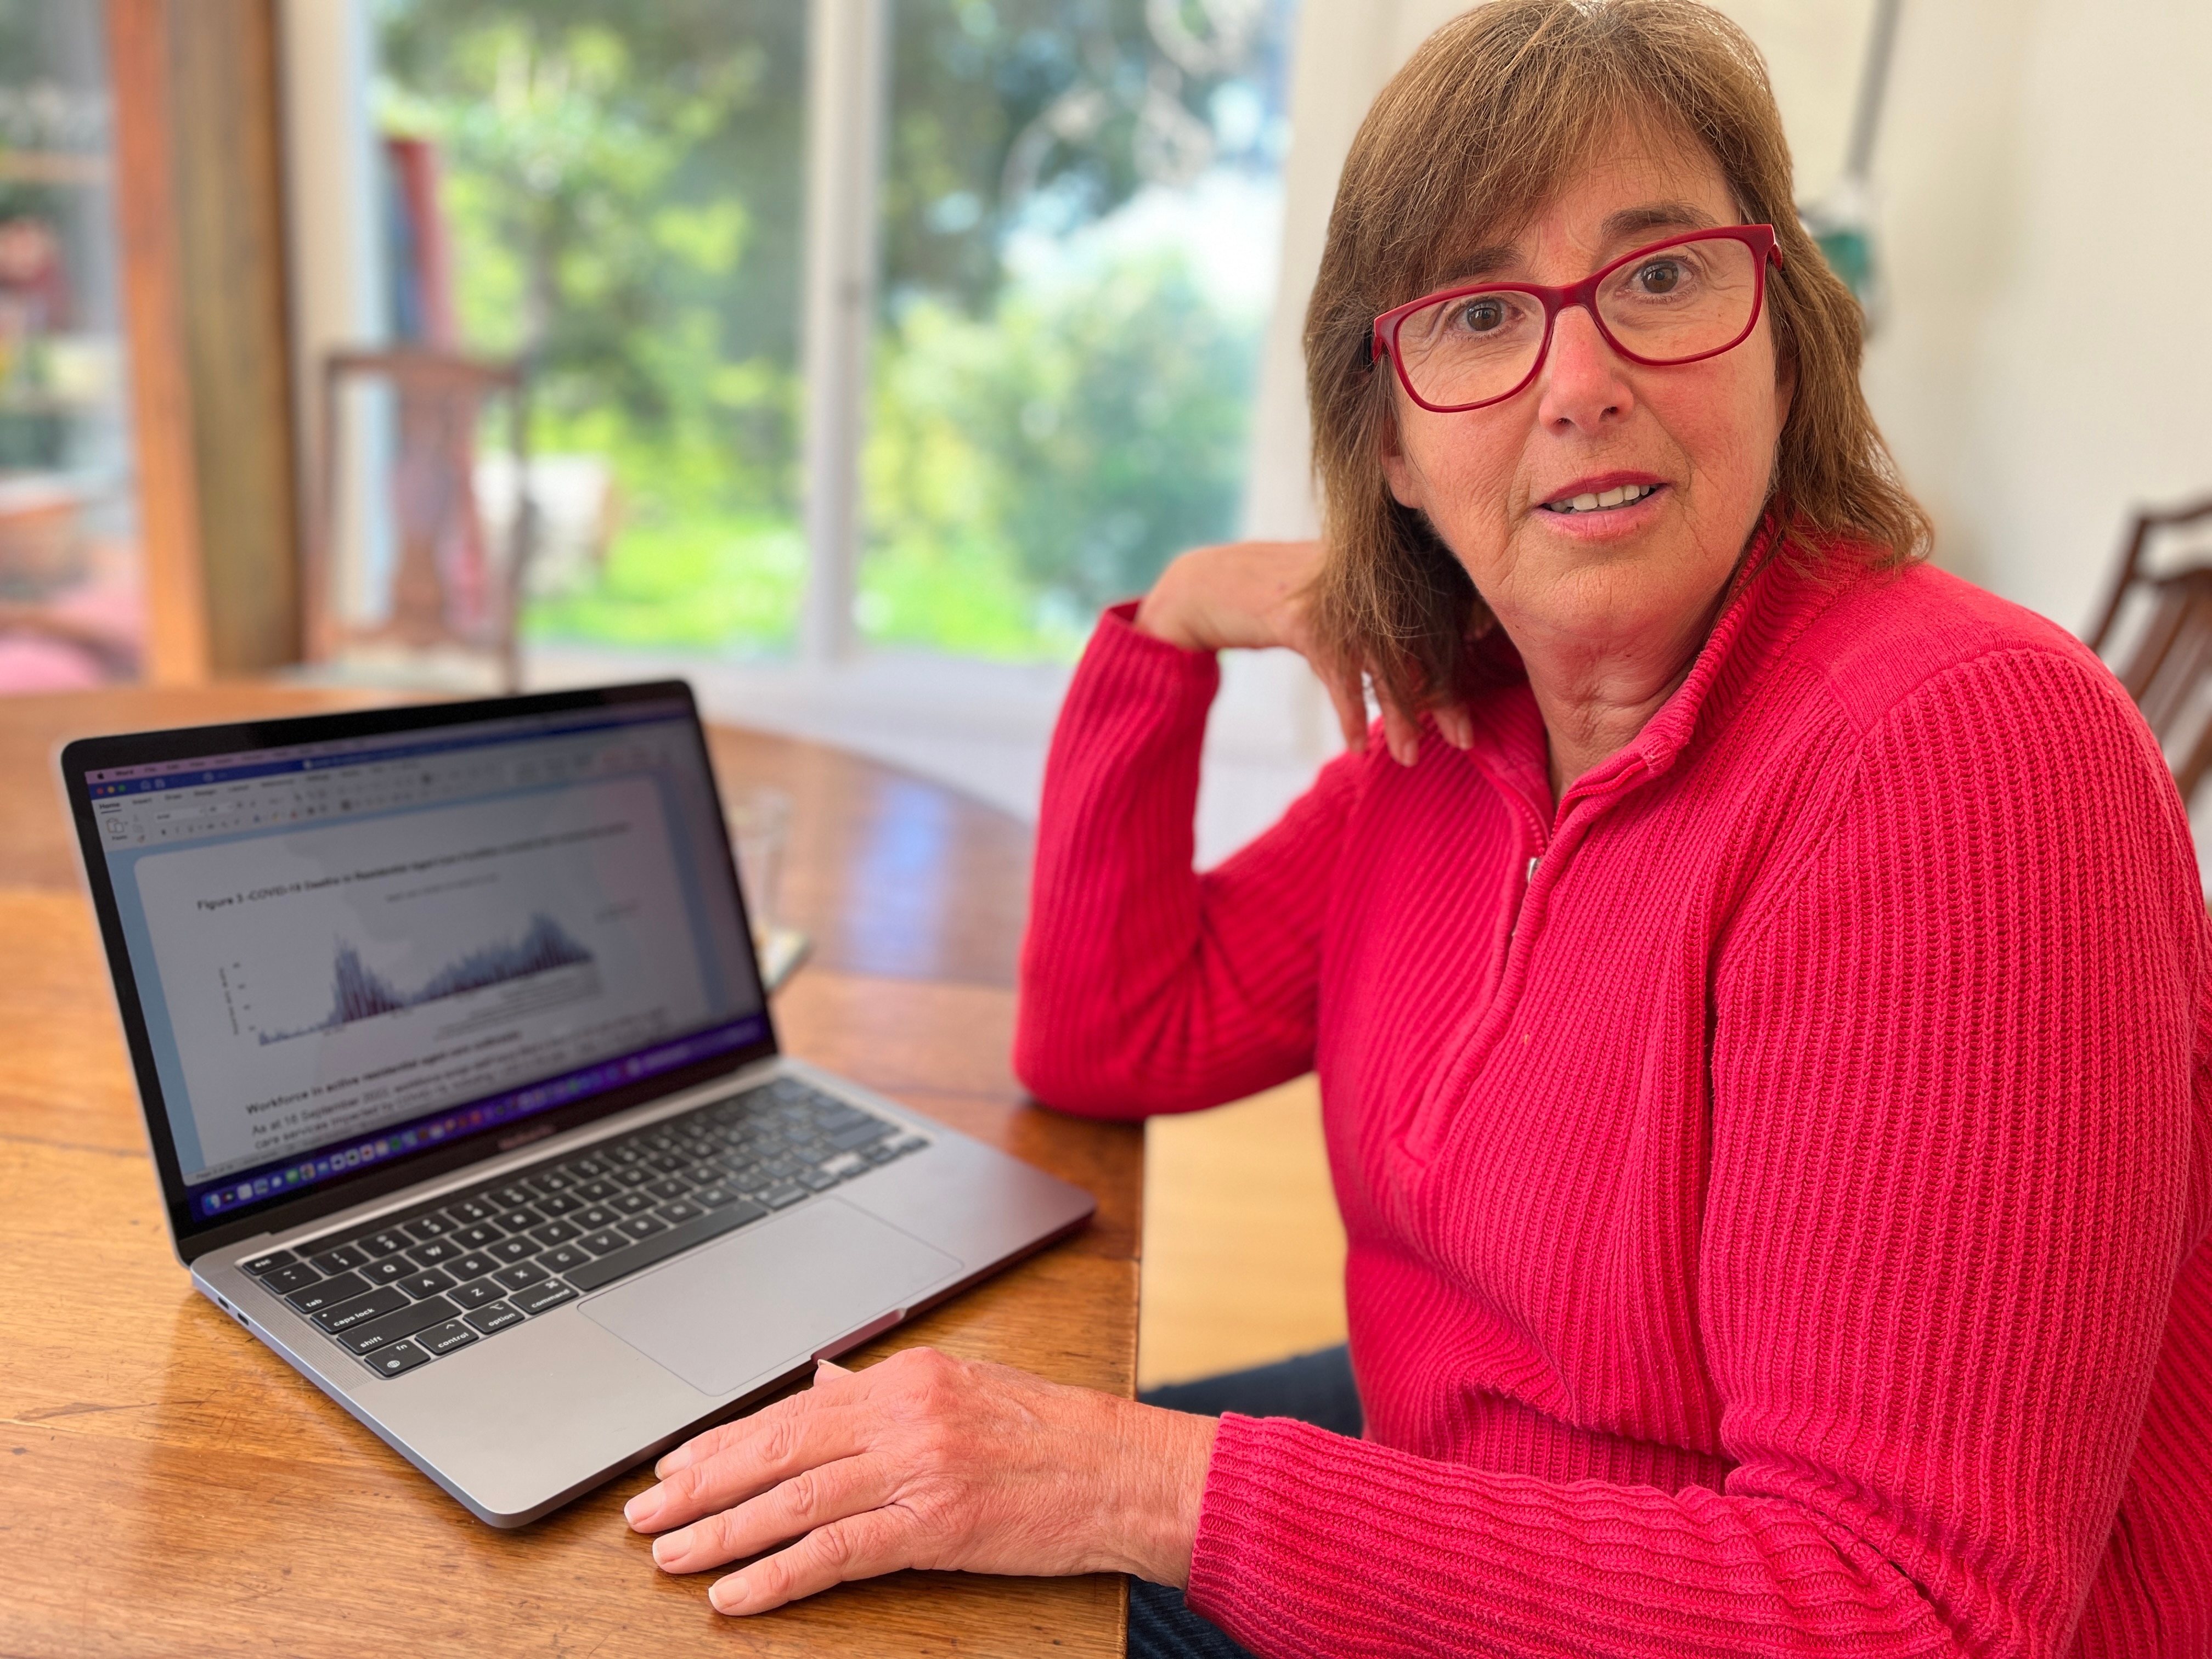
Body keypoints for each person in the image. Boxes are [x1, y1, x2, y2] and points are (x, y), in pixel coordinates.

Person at [620, 1, 2212, 1651]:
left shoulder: (1964, 755)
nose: (1581, 382)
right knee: (802, 1517)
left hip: (1681, 1596)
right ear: (1387, 437)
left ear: (1785, 336)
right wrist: (1167, 638)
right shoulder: (1461, 730)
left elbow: (1904, 1610)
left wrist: (1135, 1483)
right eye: (1475, 316)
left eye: (1661, 276)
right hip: (1461, 1476)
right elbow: (1112, 1038)